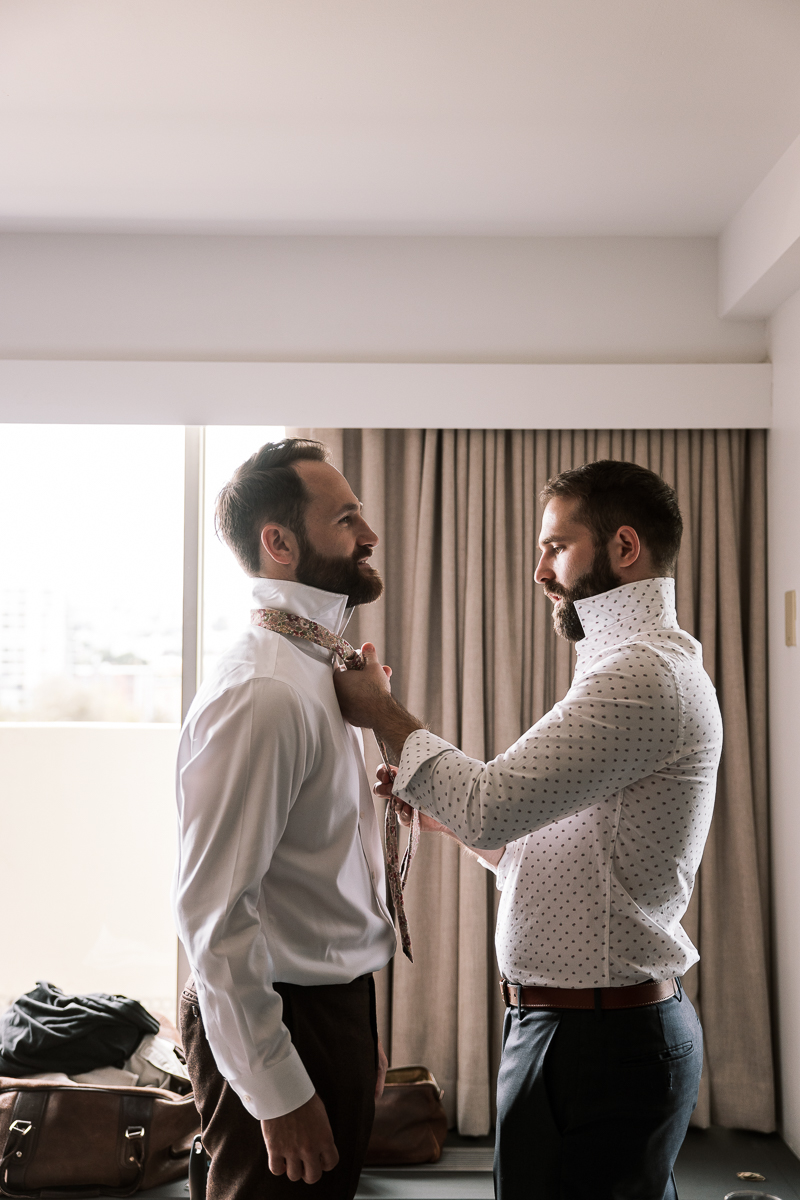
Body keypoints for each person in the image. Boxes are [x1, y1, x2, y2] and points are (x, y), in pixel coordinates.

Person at [333, 459, 723, 1200]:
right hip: (578, 1033)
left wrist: (381, 712)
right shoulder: (619, 665)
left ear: (625, 548)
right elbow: (572, 853)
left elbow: (490, 801)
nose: (540, 569)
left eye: (557, 547)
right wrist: (456, 821)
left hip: (599, 1045)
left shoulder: (639, 675)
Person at [173, 438, 396, 1200]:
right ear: (279, 543)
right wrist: (279, 1088)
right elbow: (212, 914)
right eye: (346, 519)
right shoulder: (264, 692)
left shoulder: (320, 672)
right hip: (280, 1013)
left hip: (330, 1007)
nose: (368, 537)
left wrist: (357, 1029)